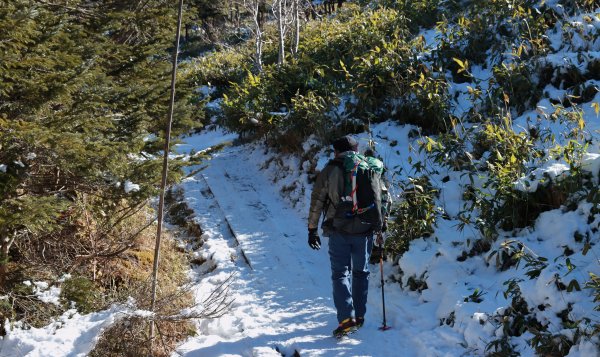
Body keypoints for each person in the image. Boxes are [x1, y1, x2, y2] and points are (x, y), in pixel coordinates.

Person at [307, 135, 388, 337]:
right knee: (361, 272)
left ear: (336, 151)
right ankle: (359, 316)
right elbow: (383, 198)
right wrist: (380, 226)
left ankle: (346, 318)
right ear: (356, 149)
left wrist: (312, 229)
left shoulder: (330, 170)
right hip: (365, 230)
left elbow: (317, 200)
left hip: (339, 229)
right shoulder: (369, 167)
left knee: (340, 274)